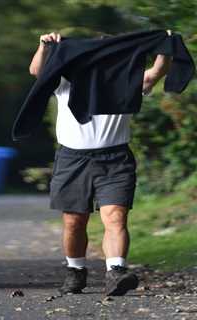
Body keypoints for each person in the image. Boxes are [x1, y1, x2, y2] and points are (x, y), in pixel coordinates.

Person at [29, 32, 172, 296]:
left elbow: (155, 72)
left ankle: (116, 272)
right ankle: (75, 271)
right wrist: (44, 46)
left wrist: (166, 44)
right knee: (74, 221)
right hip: (73, 159)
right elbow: (38, 71)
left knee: (115, 216)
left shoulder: (127, 81)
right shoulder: (67, 79)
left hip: (115, 159)